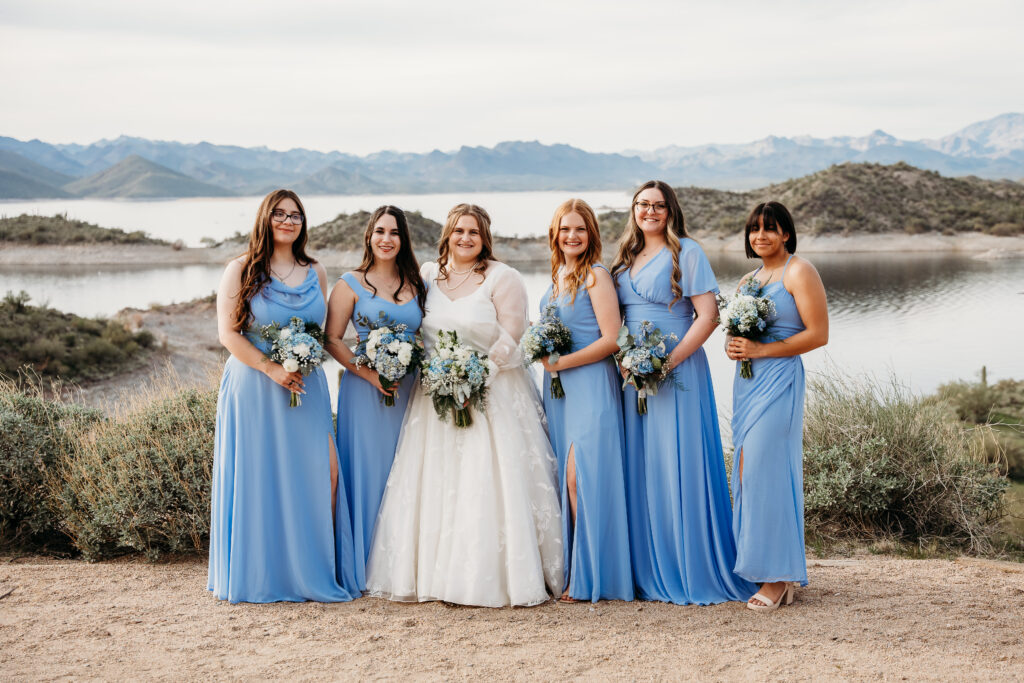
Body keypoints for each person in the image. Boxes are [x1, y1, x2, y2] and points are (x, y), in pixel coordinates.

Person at [365, 203, 563, 607]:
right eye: (458, 231)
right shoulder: (426, 275)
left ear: (484, 236)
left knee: (485, 481)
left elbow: (514, 336)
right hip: (434, 396)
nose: (466, 238)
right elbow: (416, 330)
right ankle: (436, 575)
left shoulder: (503, 277)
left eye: (473, 232)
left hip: (492, 394)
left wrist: (474, 379)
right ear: (447, 235)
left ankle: (489, 578)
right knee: (439, 483)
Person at [208, 189, 358, 603]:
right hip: (254, 385)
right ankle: (262, 574)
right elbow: (228, 334)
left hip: (305, 387)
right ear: (265, 219)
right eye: (279, 214)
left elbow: (323, 334)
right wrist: (271, 367)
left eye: (295, 215)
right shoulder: (240, 269)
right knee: (260, 477)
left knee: (323, 474)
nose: (289, 221)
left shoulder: (317, 271)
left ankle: (314, 570)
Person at [611, 180, 756, 605]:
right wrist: (627, 356)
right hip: (633, 375)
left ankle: (691, 565)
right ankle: (647, 567)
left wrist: (665, 363)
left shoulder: (686, 252)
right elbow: (613, 318)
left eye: (658, 205)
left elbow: (707, 317)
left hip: (678, 371)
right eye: (642, 204)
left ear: (670, 210)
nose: (650, 212)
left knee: (679, 462)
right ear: (633, 209)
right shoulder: (624, 257)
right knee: (643, 465)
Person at [726, 201, 828, 611]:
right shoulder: (748, 280)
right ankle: (758, 566)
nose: (761, 236)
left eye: (770, 228)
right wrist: (736, 346)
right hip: (746, 385)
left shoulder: (799, 271)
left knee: (769, 471)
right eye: (754, 229)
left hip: (780, 379)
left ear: (786, 233)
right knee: (748, 471)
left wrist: (762, 349)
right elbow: (740, 333)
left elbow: (819, 334)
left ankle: (780, 577)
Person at [325, 206, 426, 592]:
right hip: (364, 392)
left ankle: (402, 566)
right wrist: (371, 374)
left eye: (395, 232)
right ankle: (364, 566)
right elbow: (332, 338)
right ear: (369, 236)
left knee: (407, 469)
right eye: (380, 231)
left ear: (403, 240)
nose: (387, 238)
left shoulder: (416, 284)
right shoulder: (349, 284)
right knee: (369, 471)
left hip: (409, 390)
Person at [539, 199, 633, 603]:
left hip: (591, 382)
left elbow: (612, 338)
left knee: (583, 479)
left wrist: (561, 361)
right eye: (565, 229)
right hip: (560, 391)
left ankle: (592, 576)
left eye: (579, 229)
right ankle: (574, 571)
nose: (571, 236)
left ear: (591, 233)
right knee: (566, 481)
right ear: (555, 234)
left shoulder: (596, 275)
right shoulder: (557, 276)